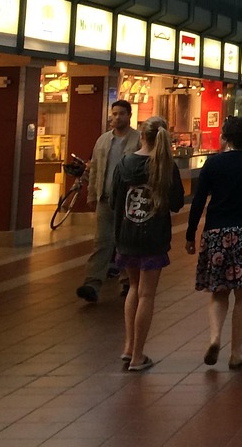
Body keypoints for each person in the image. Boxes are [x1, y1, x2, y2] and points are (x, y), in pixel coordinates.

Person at [185, 115, 242, 370]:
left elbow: (198, 200)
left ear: (224, 137)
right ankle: (236, 352)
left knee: (219, 292)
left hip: (217, 232)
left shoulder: (213, 163)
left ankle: (215, 337)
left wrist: (190, 233)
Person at [110, 115, 184, 372]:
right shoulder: (165, 166)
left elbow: (113, 200)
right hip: (153, 236)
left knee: (133, 288)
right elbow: (176, 203)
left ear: (141, 136)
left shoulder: (125, 163)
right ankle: (138, 356)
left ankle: (128, 347)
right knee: (147, 294)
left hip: (127, 234)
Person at [77, 99, 139, 303]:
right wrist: (92, 194)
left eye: (121, 113)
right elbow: (94, 168)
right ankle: (92, 283)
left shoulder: (138, 140)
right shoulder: (103, 141)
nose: (117, 117)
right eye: (114, 114)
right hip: (106, 198)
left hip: (129, 200)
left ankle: (128, 281)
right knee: (102, 241)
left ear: (129, 116)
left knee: (126, 242)